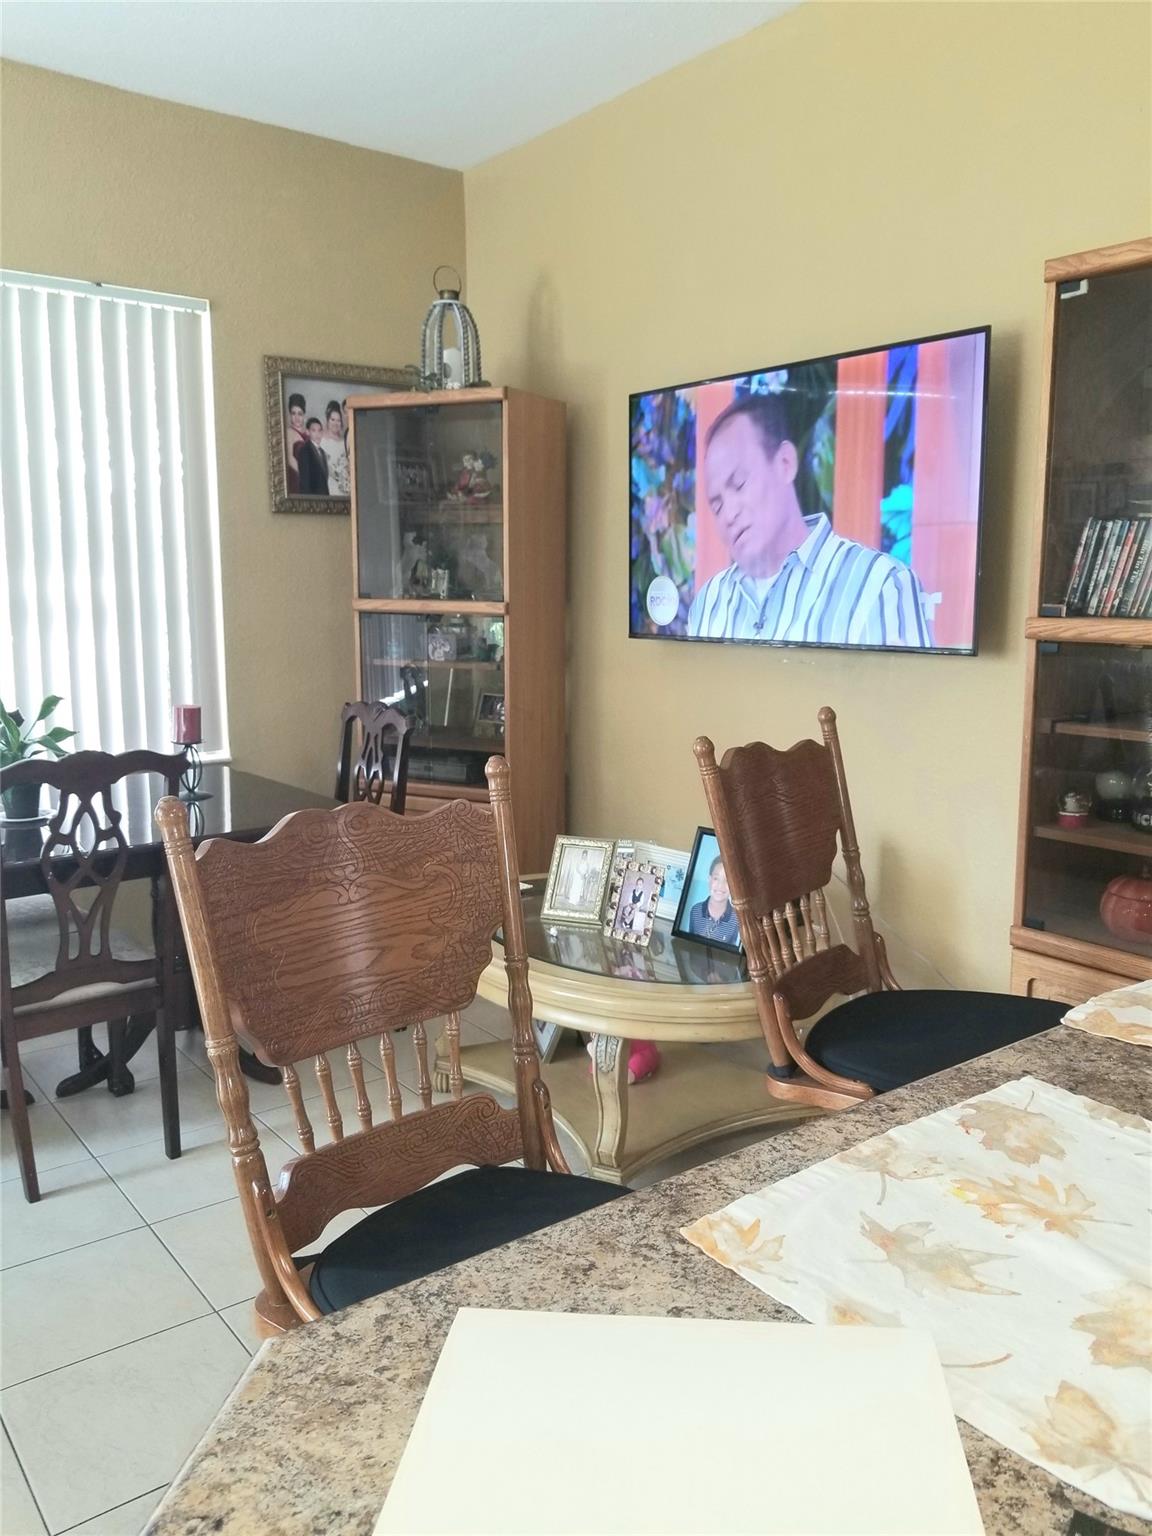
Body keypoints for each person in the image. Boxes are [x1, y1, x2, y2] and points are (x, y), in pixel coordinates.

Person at [687, 395, 933, 647]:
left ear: (785, 463)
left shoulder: (881, 586)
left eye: (739, 484)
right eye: (717, 506)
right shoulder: (709, 603)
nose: (729, 514)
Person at [688, 856, 741, 947]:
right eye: (716, 878)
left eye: (727, 880)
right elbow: (689, 943)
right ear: (709, 879)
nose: (720, 885)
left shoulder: (736, 918)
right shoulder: (695, 910)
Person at [296, 417, 330, 495]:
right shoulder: (305, 450)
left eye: (319, 430)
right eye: (314, 430)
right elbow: (304, 479)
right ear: (308, 432)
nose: (317, 434)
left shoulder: (322, 452)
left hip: (324, 497)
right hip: (312, 497)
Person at [322, 401, 349, 496]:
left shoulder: (344, 442)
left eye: (338, 420)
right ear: (328, 420)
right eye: (332, 419)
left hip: (344, 486)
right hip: (328, 485)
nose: (335, 423)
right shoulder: (322, 442)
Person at [285, 393, 308, 494]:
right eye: (293, 413)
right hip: (296, 478)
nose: (296, 417)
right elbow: (289, 458)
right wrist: (305, 474)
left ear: (304, 415)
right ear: (290, 415)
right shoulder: (289, 432)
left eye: (300, 414)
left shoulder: (308, 433)